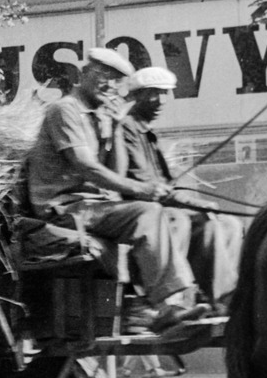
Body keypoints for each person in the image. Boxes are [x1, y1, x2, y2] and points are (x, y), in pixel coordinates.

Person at [23, 47, 207, 332]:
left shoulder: (101, 116)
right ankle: (165, 305)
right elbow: (87, 167)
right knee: (147, 213)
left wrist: (118, 126)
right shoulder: (65, 110)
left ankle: (148, 306)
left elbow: (116, 173)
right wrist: (141, 189)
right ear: (84, 74)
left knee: (173, 218)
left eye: (115, 81)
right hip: (64, 208)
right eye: (103, 76)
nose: (109, 85)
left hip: (93, 207)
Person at [117, 66, 244, 308]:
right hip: (140, 209)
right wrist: (195, 203)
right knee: (198, 222)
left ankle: (223, 295)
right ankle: (205, 298)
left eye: (165, 93)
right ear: (137, 95)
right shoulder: (128, 128)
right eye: (154, 93)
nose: (162, 101)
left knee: (229, 224)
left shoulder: (147, 133)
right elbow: (145, 184)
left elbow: (165, 183)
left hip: (158, 203)